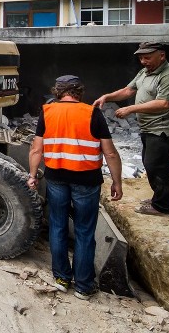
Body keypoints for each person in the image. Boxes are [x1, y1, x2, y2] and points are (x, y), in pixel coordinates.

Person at [28, 74, 123, 301]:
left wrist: (32, 176)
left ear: (58, 91)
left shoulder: (47, 112)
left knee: (58, 228)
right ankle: (83, 286)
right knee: (84, 232)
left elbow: (36, 149)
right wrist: (117, 181)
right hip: (87, 181)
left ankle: (61, 279)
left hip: (56, 178)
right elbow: (109, 152)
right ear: (79, 91)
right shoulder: (92, 113)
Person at [93, 42, 169, 216]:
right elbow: (128, 91)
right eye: (141, 57)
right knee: (151, 164)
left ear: (162, 55)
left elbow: (164, 103)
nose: (143, 61)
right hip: (150, 127)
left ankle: (162, 207)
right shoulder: (145, 72)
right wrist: (107, 97)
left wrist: (130, 109)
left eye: (148, 57)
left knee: (158, 166)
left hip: (164, 128)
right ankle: (161, 198)